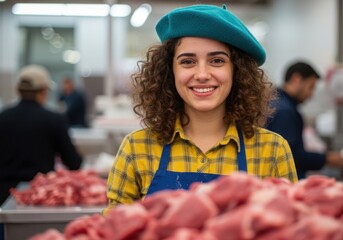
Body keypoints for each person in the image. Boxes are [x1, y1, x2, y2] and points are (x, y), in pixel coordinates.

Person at [104, 4, 298, 213]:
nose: (202, 74)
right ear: (169, 72)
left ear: (237, 71)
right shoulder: (136, 148)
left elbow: (290, 227)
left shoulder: (272, 149)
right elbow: (113, 228)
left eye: (217, 60)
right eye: (188, 61)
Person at [0, 65, 83, 205]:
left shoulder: (2, 118)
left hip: (3, 196)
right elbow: (73, 162)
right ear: (44, 91)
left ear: (18, 90)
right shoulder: (54, 119)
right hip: (39, 196)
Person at [266, 61, 343, 179]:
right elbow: (290, 155)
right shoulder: (284, 110)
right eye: (311, 87)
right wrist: (329, 159)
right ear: (296, 79)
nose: (311, 94)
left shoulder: (280, 104)